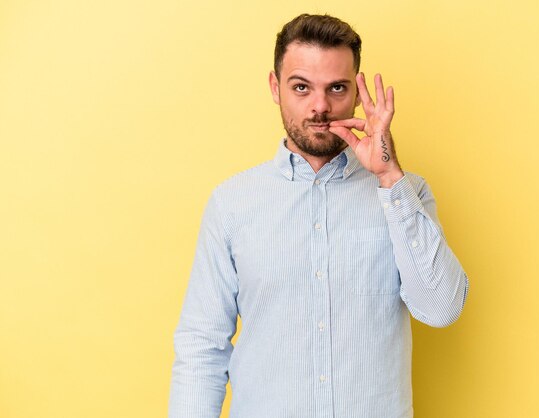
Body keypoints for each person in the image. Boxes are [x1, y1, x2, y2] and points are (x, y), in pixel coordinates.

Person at [169, 13, 469, 418]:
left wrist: (388, 175)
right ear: (276, 88)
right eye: (301, 87)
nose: (320, 106)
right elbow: (202, 345)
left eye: (337, 88)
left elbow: (441, 309)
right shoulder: (232, 204)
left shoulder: (405, 193)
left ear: (358, 94)